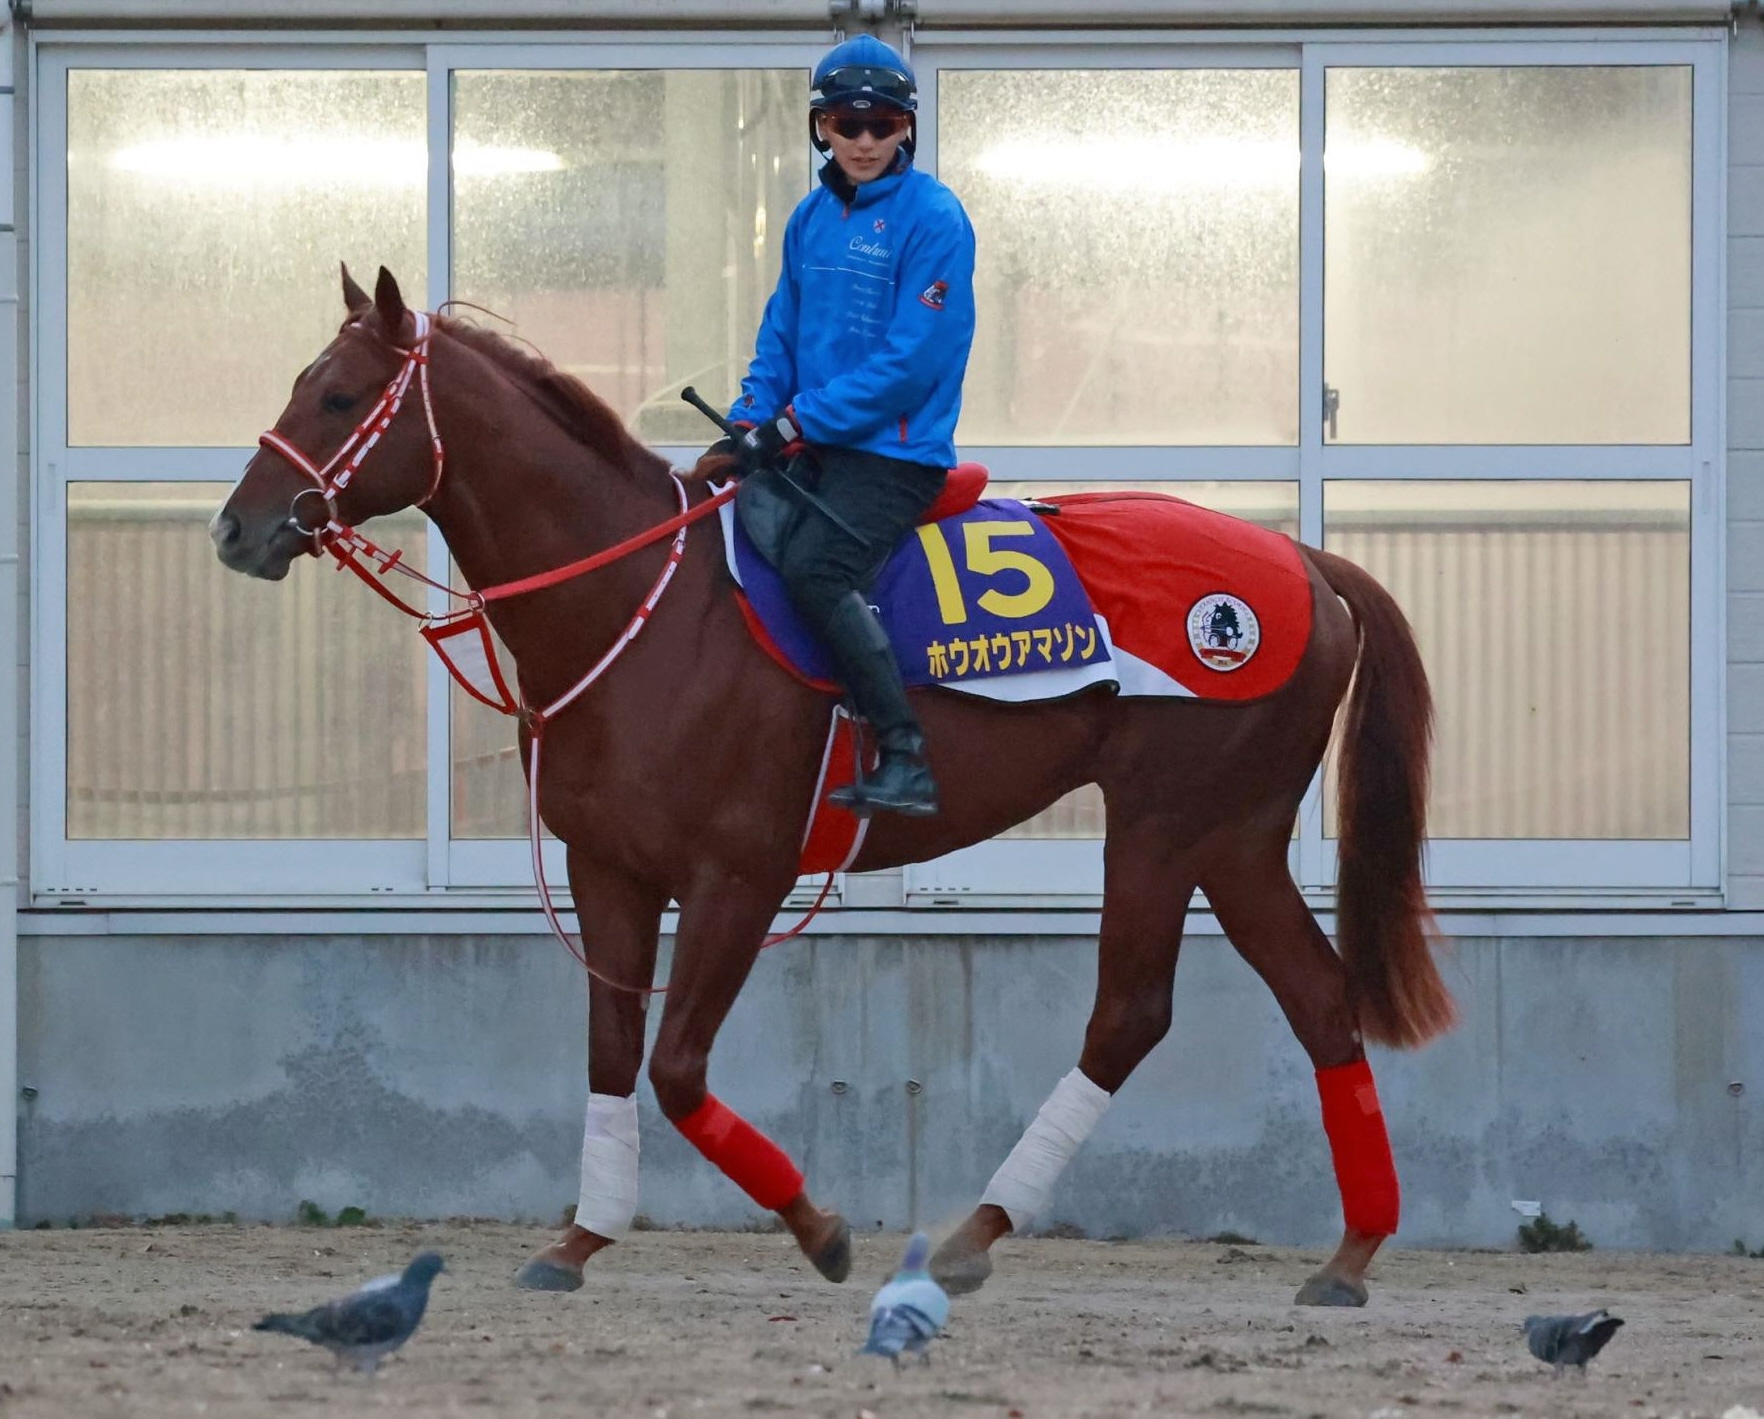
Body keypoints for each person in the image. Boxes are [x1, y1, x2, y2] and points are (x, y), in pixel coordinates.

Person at [698, 33, 977, 818]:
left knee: (816, 568)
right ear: (819, 127)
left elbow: (911, 362)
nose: (863, 139)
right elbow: (781, 333)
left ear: (906, 128)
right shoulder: (807, 219)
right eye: (845, 123)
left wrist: (791, 425)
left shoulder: (937, 218)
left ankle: (907, 754)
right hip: (810, 440)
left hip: (894, 455)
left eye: (881, 122)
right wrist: (748, 419)